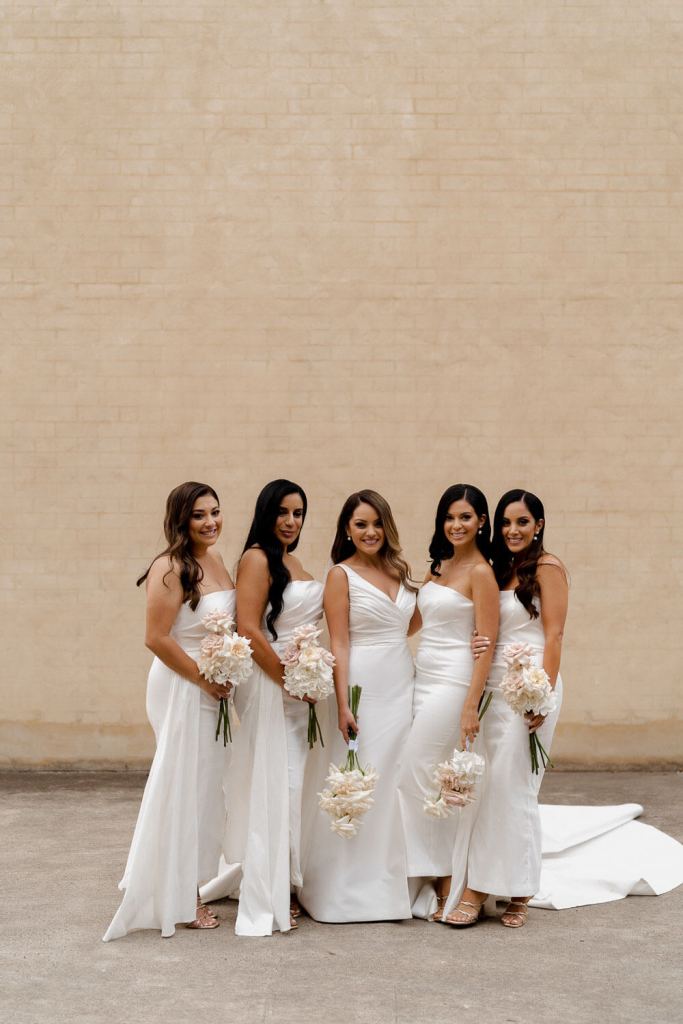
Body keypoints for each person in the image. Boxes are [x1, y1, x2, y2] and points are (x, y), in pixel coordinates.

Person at [103, 482, 234, 940]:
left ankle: (185, 878)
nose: (210, 521)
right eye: (199, 515)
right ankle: (183, 897)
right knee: (184, 785)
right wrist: (204, 677)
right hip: (182, 684)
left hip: (211, 683)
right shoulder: (170, 566)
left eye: (215, 512)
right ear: (181, 519)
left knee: (204, 787)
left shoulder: (215, 559)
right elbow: (157, 637)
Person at [444, 488, 566, 928]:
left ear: (539, 525)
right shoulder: (498, 570)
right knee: (498, 787)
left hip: (531, 688)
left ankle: (478, 891)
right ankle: (520, 886)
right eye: (508, 523)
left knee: (511, 786)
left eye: (523, 522)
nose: (514, 531)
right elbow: (488, 625)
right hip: (496, 688)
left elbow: (553, 637)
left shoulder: (548, 568)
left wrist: (543, 697)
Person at [299, 490, 419, 922]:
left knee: (398, 777)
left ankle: (400, 879)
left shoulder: (401, 574)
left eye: (376, 523)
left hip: (402, 682)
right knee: (361, 774)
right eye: (360, 525)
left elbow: (414, 623)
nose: (370, 532)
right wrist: (344, 702)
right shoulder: (340, 576)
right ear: (347, 530)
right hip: (362, 686)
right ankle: (346, 885)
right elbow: (339, 640)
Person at [226, 479, 324, 936]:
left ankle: (287, 874)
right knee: (279, 782)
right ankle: (274, 885)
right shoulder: (257, 558)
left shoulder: (293, 561)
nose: (291, 521)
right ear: (267, 514)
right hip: (273, 686)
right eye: (283, 512)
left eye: (299, 513)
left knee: (293, 781)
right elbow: (248, 627)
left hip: (299, 690)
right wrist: (289, 680)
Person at [397, 484, 498, 921]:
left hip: (455, 681)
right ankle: (427, 871)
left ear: (481, 523)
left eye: (466, 517)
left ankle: (443, 879)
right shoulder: (438, 568)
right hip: (422, 676)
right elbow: (411, 623)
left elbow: (487, 644)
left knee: (414, 771)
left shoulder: (481, 573)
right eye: (450, 517)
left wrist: (471, 703)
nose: (457, 525)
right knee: (431, 777)